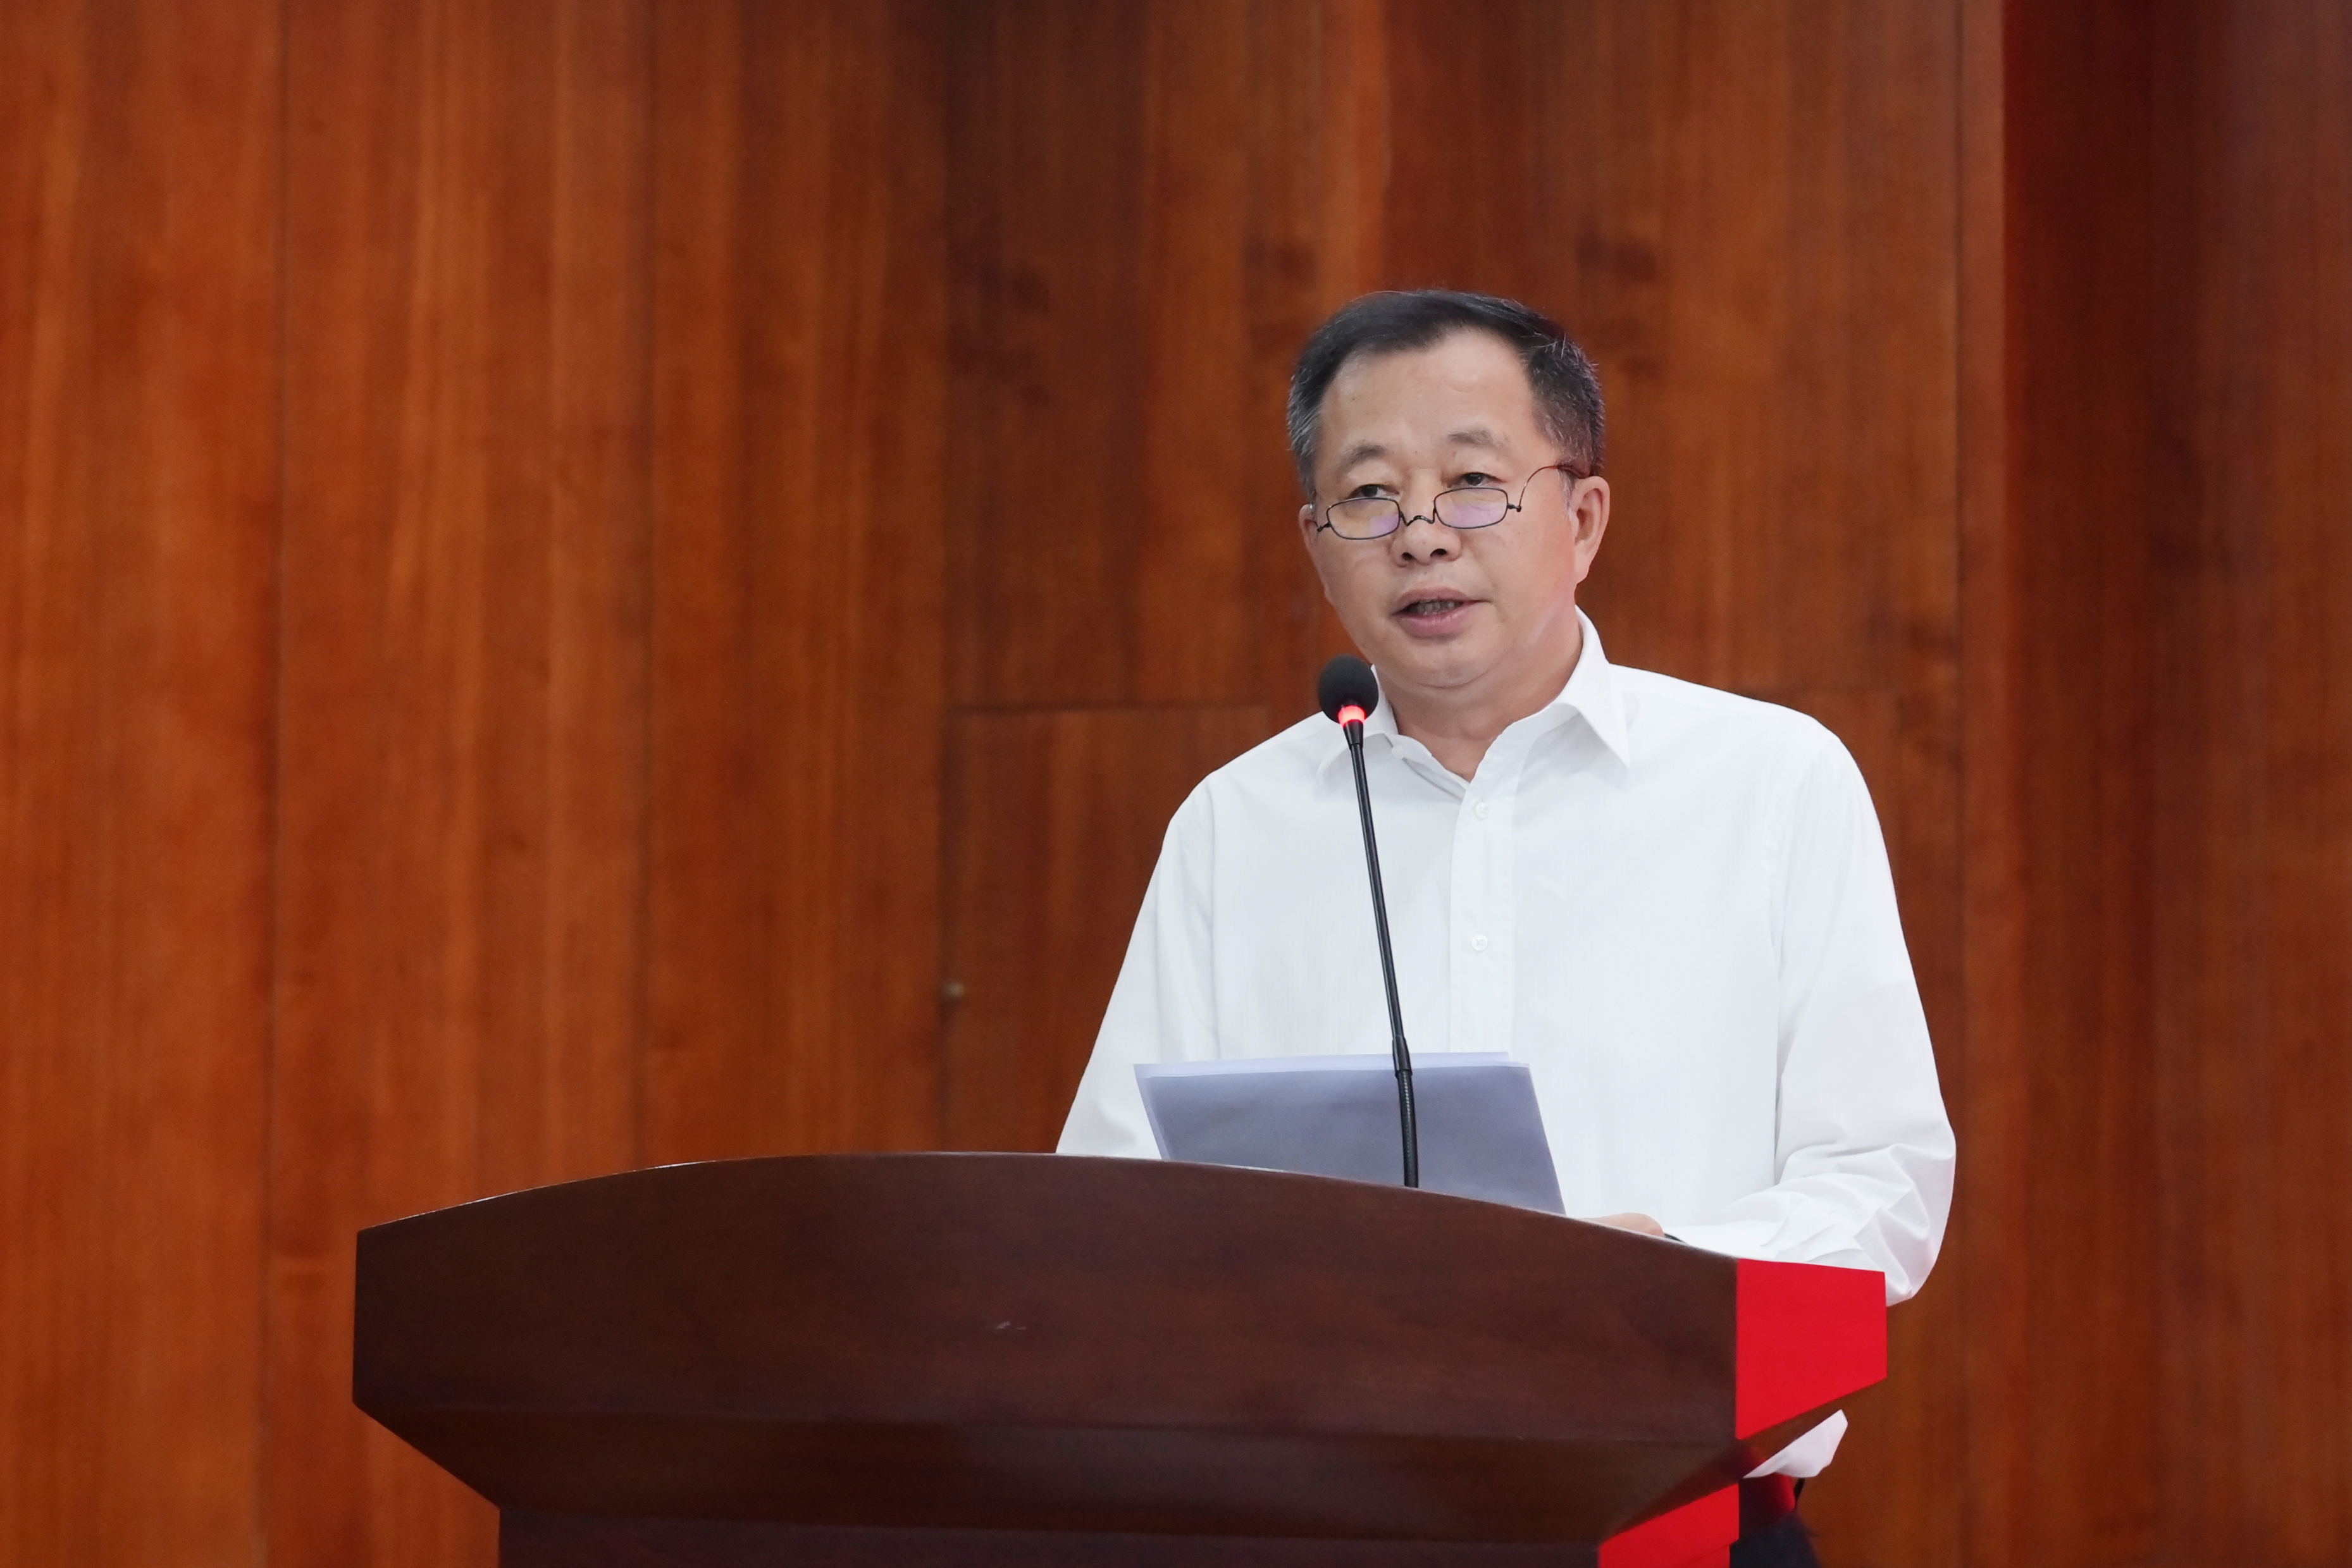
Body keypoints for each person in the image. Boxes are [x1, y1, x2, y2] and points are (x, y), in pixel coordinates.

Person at [1056, 289, 1955, 1567]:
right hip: (1323, 1531)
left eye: (1472, 482)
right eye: (1368, 495)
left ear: (1581, 519)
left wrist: (1657, 1271)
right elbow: (1109, 1208)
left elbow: (1880, 1184)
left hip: (1677, 1532)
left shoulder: (1768, 782)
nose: (1421, 533)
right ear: (1316, 542)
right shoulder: (1235, 823)